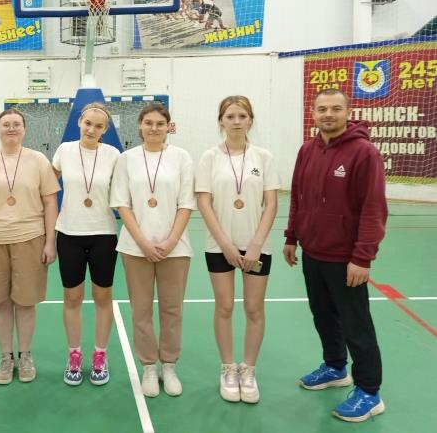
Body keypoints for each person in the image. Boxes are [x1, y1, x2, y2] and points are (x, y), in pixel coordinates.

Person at [283, 89, 387, 423]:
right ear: (313, 113)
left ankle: (369, 392)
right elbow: (298, 196)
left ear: (347, 112)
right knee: (323, 316)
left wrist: (362, 257)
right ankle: (335, 367)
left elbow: (373, 208)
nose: (328, 114)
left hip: (346, 258)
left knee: (356, 325)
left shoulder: (364, 153)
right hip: (313, 252)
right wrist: (292, 236)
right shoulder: (307, 150)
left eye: (335, 108)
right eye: (322, 109)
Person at [196, 96, 280, 404]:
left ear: (250, 120)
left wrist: (255, 245)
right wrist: (226, 244)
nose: (236, 121)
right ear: (221, 120)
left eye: (242, 116)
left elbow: (271, 204)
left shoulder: (264, 157)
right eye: (230, 116)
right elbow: (204, 203)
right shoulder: (209, 158)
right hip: (219, 245)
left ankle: (248, 370)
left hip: (257, 247)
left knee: (254, 309)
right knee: (225, 307)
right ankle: (228, 369)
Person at [0, 108, 60, 385]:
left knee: (26, 302)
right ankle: (6, 357)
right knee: (0, 301)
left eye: (16, 124)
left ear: (24, 129)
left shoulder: (38, 160)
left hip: (30, 238)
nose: (11, 128)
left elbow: (50, 203)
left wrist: (50, 241)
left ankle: (25, 355)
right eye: (6, 124)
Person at [110, 103, 195, 398]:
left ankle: (169, 366)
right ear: (140, 126)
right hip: (135, 248)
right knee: (141, 310)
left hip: (175, 248)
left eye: (160, 123)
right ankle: (148, 366)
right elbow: (122, 204)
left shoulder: (182, 157)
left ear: (168, 126)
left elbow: (186, 204)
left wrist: (170, 241)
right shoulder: (127, 159)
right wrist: (144, 243)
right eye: (148, 123)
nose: (154, 128)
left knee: (172, 309)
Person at [52, 103, 121, 386]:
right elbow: (45, 184)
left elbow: (127, 190)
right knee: (72, 298)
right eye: (88, 123)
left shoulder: (113, 155)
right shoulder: (64, 150)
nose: (92, 129)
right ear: (80, 121)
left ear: (105, 129)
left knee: (103, 298)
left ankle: (100, 355)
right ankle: (74, 355)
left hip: (103, 233)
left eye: (98, 126)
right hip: (69, 233)